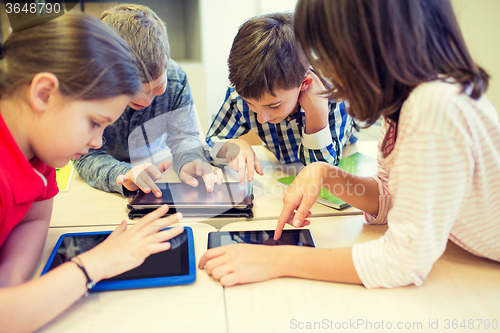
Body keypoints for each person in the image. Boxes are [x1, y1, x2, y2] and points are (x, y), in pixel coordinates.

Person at [199, 0, 500, 288]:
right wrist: (326, 174)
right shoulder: (406, 105)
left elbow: (403, 261)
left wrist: (277, 258)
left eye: (328, 52)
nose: (326, 71)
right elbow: (388, 200)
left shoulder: (433, 104)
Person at [0, 13, 184, 332]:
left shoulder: (40, 154)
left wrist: (12, 284)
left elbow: (34, 218)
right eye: (94, 122)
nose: (97, 141)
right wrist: (96, 264)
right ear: (44, 93)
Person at [73, 4, 222, 198]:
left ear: (166, 61)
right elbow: (87, 156)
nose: (145, 101)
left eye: (157, 87)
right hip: (108, 184)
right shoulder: (89, 88)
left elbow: (185, 137)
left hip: (161, 174)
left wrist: (190, 159)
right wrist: (122, 173)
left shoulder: (176, 79)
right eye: (133, 92)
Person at [205, 12, 359, 185]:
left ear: (304, 83)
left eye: (274, 105)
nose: (261, 118)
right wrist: (229, 146)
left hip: (346, 161)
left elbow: (322, 171)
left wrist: (317, 114)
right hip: (280, 172)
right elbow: (209, 144)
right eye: (250, 104)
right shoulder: (239, 96)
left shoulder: (334, 94)